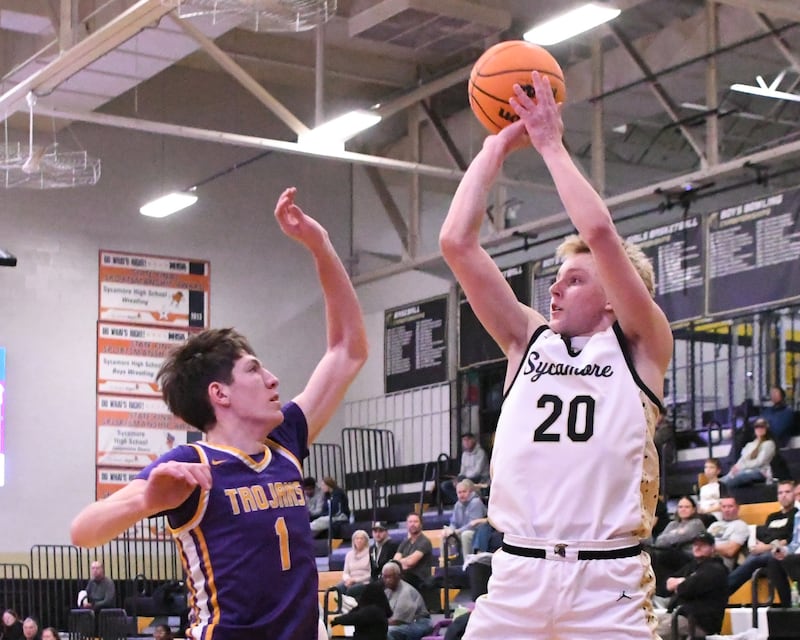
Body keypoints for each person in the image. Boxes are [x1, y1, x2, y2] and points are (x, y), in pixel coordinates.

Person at [69, 187, 369, 640]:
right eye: (254, 370)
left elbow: (348, 349)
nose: (273, 380)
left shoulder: (285, 439)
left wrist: (320, 245)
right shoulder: (192, 467)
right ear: (220, 394)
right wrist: (149, 500)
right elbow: (83, 531)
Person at [439, 70, 672, 639]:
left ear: (615, 298)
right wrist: (495, 146)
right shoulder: (527, 340)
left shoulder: (642, 346)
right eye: (556, 280)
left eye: (573, 280)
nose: (554, 289)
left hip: (607, 581)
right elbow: (456, 243)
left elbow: (597, 230)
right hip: (517, 573)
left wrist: (549, 143)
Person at [654, 532, 728, 639]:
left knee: (654, 634)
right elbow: (663, 588)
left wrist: (680, 584)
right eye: (695, 545)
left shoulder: (716, 569)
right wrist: (683, 581)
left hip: (699, 622)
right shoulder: (691, 567)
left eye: (703, 545)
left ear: (712, 548)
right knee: (642, 623)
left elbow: (687, 589)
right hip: (677, 615)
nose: (698, 547)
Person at [727, 480, 797, 594]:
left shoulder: (796, 514)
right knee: (751, 557)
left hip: (782, 552)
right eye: (780, 493)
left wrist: (767, 547)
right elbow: (766, 536)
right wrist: (763, 546)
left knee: (756, 559)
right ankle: (724, 590)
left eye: (787, 492)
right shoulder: (772, 516)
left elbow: (790, 540)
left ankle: (722, 590)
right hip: (763, 550)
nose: (783, 495)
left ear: (794, 494)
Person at [648, 496, 707, 597]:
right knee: (652, 554)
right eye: (680, 507)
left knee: (663, 555)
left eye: (687, 507)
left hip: (690, 557)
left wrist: (673, 537)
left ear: (693, 509)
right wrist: (675, 535)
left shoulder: (696, 523)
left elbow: (681, 537)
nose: (683, 509)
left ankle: (661, 593)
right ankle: (656, 590)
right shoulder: (673, 524)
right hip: (672, 554)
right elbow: (659, 541)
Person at [381, 562, 433, 640]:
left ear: (398, 576)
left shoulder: (406, 592)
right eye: (385, 577)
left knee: (387, 632)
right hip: (404, 622)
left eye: (389, 577)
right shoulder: (387, 591)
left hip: (418, 623)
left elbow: (398, 621)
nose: (387, 580)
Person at [720, 418, 776, 488]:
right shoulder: (749, 445)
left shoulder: (769, 444)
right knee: (726, 478)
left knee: (739, 476)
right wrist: (736, 467)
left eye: (762, 426)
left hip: (760, 472)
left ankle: (721, 490)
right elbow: (742, 460)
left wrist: (742, 466)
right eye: (757, 426)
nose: (759, 428)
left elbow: (759, 462)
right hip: (745, 470)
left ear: (766, 428)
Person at [763, 502, 800, 608]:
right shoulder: (798, 516)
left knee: (791, 560)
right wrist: (783, 550)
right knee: (774, 560)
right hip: (796, 553)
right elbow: (795, 543)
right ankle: (787, 606)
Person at [443, 479, 487, 561]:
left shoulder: (476, 502)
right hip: (461, 531)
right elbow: (453, 522)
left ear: (469, 492)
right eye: (459, 492)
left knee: (465, 535)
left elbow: (472, 525)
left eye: (464, 492)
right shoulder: (457, 505)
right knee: (444, 535)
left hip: (476, 533)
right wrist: (450, 530)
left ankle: (467, 563)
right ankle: (444, 565)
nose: (461, 495)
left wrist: (457, 531)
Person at [439, 433, 489, 505]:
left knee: (462, 483)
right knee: (445, 485)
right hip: (466, 479)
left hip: (480, 478)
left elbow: (477, 472)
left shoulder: (481, 453)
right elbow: (462, 471)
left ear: (473, 440)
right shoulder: (464, 454)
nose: (466, 442)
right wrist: (458, 479)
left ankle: (468, 501)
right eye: (464, 440)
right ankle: (462, 502)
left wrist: (463, 480)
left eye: (468, 440)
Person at [393, 512, 434, 592]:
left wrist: (402, 562)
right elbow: (395, 562)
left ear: (421, 524)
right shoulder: (405, 542)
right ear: (406, 525)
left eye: (415, 522)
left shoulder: (424, 541)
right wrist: (404, 562)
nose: (412, 524)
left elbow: (411, 562)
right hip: (405, 575)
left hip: (419, 578)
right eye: (410, 522)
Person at [706, 496, 750, 571]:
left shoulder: (740, 525)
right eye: (723, 507)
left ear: (737, 508)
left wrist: (708, 547)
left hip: (719, 565)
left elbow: (730, 551)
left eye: (730, 506)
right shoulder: (714, 525)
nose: (726, 510)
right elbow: (702, 543)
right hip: (703, 560)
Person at [337, 529, 372, 597]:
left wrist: (355, 580)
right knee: (338, 588)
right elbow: (345, 572)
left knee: (352, 590)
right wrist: (348, 579)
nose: (359, 541)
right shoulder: (349, 555)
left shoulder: (370, 553)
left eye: (362, 538)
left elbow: (370, 574)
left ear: (366, 541)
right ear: (353, 541)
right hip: (350, 581)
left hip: (363, 581)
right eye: (357, 538)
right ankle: (342, 606)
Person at [697, 458, 722, 523]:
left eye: (711, 467)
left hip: (715, 516)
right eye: (706, 467)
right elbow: (700, 504)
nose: (708, 470)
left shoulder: (721, 486)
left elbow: (723, 505)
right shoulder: (703, 488)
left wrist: (706, 511)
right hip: (703, 515)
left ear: (718, 471)